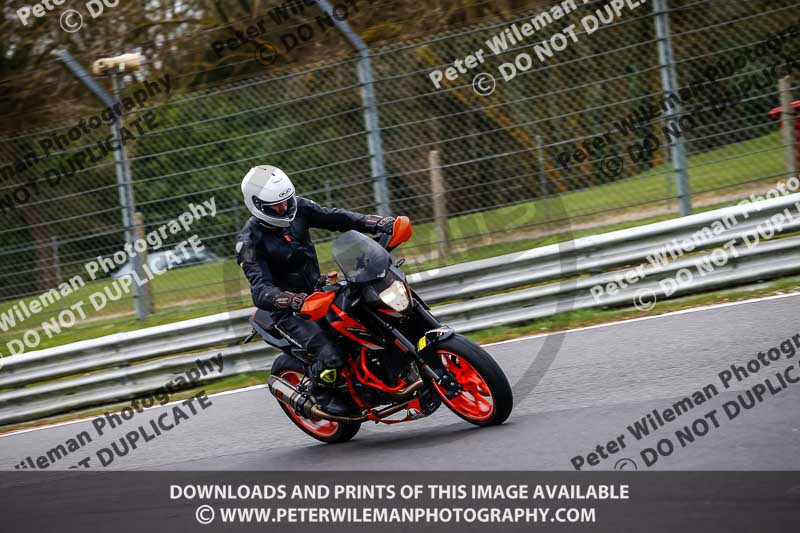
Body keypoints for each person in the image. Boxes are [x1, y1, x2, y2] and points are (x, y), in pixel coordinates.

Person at [235, 165, 395, 416]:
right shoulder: (249, 242)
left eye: (287, 200)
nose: (285, 207)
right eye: (276, 206)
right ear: (257, 205)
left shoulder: (298, 207)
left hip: (319, 291)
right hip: (288, 310)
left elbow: (336, 217)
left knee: (372, 315)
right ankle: (320, 392)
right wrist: (293, 301)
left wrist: (375, 223)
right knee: (331, 355)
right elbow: (260, 290)